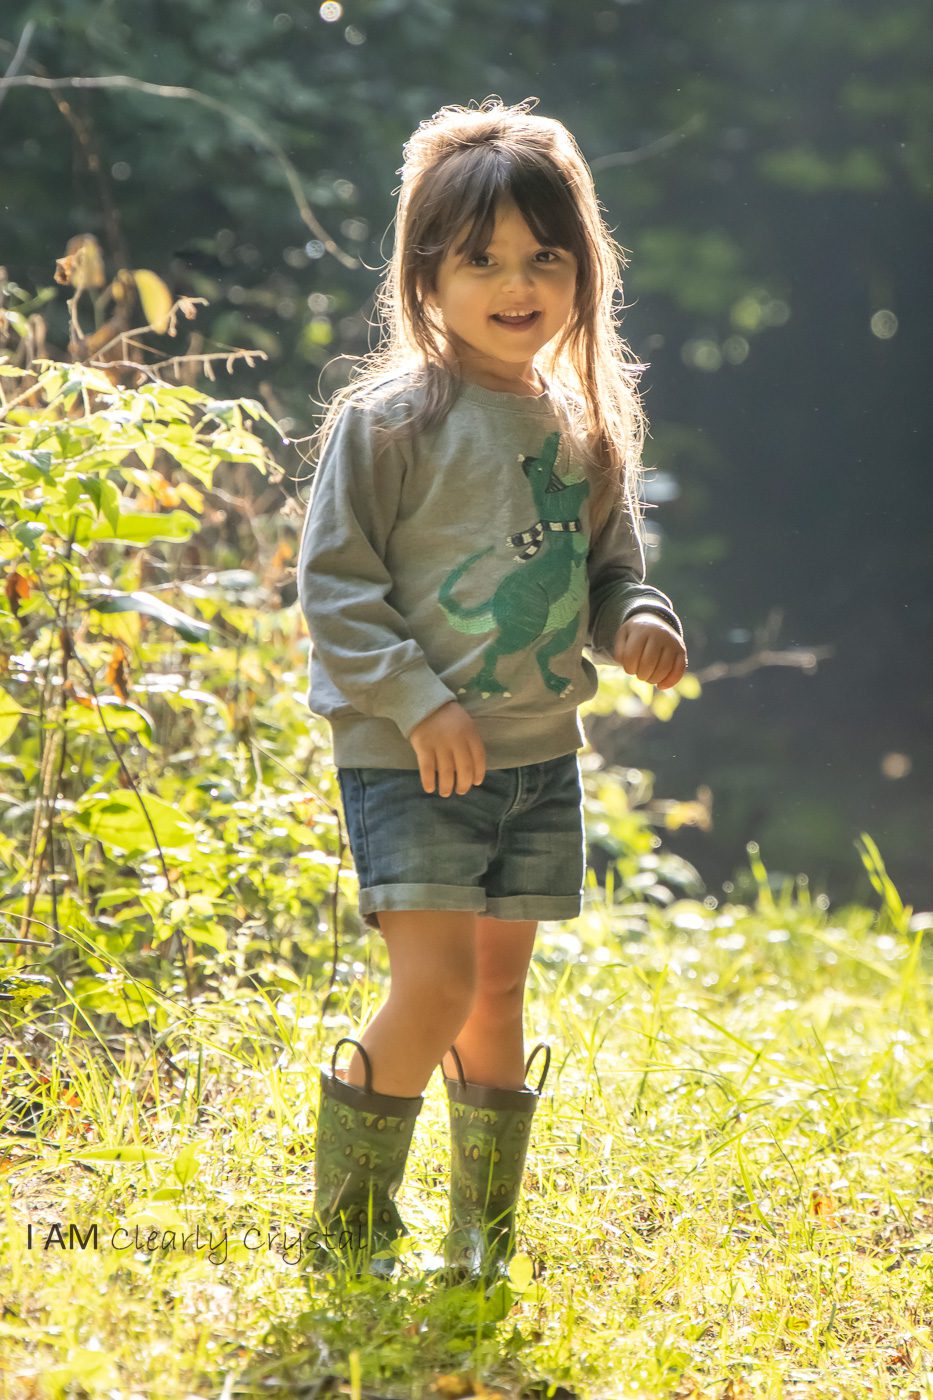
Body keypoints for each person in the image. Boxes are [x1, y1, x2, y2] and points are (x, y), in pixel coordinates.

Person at [297, 95, 687, 1284]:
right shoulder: (390, 422)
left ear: (583, 268)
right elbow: (336, 588)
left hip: (533, 751)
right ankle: (351, 1225)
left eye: (543, 257)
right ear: (428, 274)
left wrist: (639, 618)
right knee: (437, 977)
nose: (517, 283)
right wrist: (420, 702)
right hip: (411, 752)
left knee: (499, 985)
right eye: (482, 261)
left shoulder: (584, 424)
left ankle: (482, 1233)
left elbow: (611, 563)